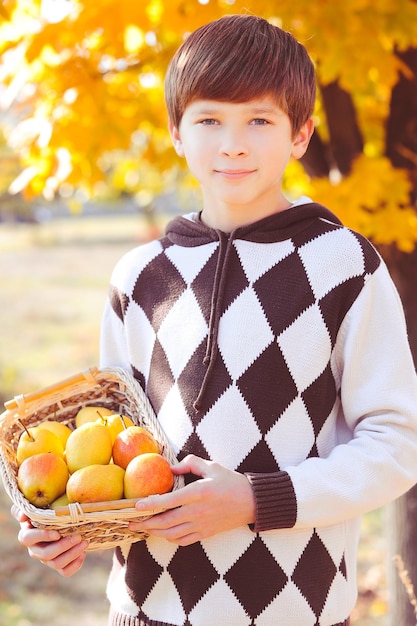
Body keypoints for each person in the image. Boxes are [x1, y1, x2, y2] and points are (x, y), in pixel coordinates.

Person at [12, 13, 417, 626]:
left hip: (294, 609)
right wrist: (69, 523)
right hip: (147, 607)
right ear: (177, 132)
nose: (233, 143)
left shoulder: (345, 265)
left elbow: (396, 442)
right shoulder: (139, 275)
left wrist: (257, 498)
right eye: (209, 120)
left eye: (259, 119)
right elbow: (115, 440)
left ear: (301, 134)